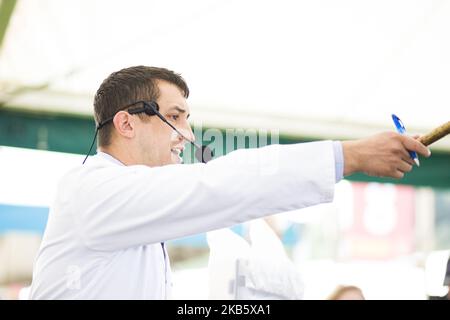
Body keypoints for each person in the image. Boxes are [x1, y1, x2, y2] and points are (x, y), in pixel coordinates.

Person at [29, 66, 431, 299]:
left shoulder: (133, 208)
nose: (187, 135)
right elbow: (218, 186)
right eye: (176, 116)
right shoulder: (90, 191)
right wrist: (351, 155)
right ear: (126, 122)